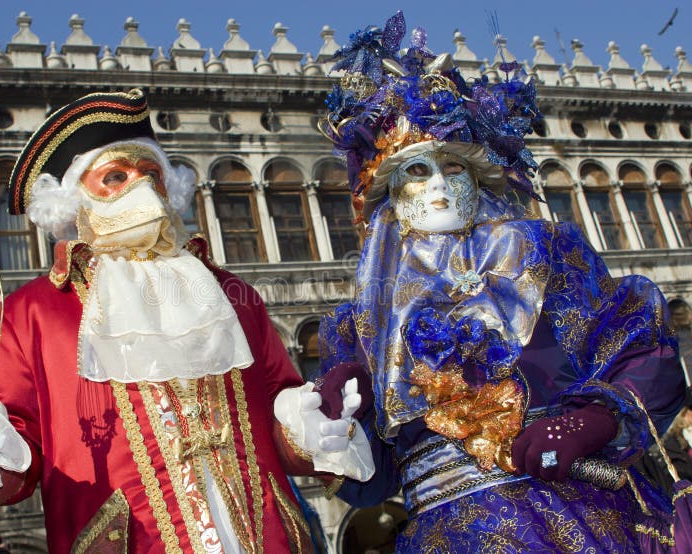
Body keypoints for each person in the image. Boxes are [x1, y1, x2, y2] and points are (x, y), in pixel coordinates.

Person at [0, 89, 369, 553]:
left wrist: (306, 428)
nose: (142, 188)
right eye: (115, 176)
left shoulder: (235, 296)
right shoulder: (34, 313)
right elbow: (16, 455)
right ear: (73, 200)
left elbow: (276, 402)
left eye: (151, 173)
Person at [291, 12, 685, 552]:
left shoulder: (549, 256)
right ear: (388, 191)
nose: (436, 185)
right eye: (415, 171)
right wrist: (342, 427)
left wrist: (594, 419)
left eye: (452, 166)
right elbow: (374, 481)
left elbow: (642, 348)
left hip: (576, 515)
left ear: (477, 174)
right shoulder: (359, 326)